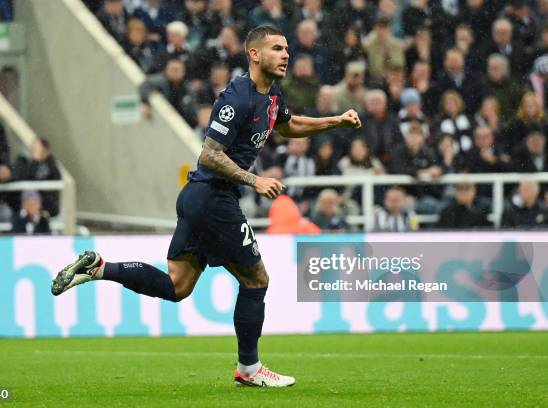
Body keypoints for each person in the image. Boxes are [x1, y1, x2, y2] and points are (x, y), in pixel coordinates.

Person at [51, 25, 361, 387]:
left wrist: (334, 121)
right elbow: (209, 154)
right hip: (214, 197)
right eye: (277, 48)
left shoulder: (272, 96)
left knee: (177, 286)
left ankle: (100, 268)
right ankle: (249, 369)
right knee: (256, 279)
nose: (286, 54)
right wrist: (253, 179)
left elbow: (289, 127)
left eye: (287, 48)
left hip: (200, 198)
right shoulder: (238, 97)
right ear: (255, 54)